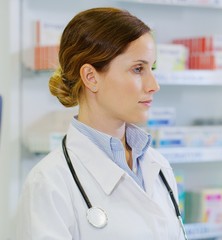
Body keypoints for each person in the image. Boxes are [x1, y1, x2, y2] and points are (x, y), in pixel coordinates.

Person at [16, 7, 186, 239]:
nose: (154, 84)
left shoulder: (159, 167)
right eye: (138, 69)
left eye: (151, 68)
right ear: (91, 77)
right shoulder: (49, 182)